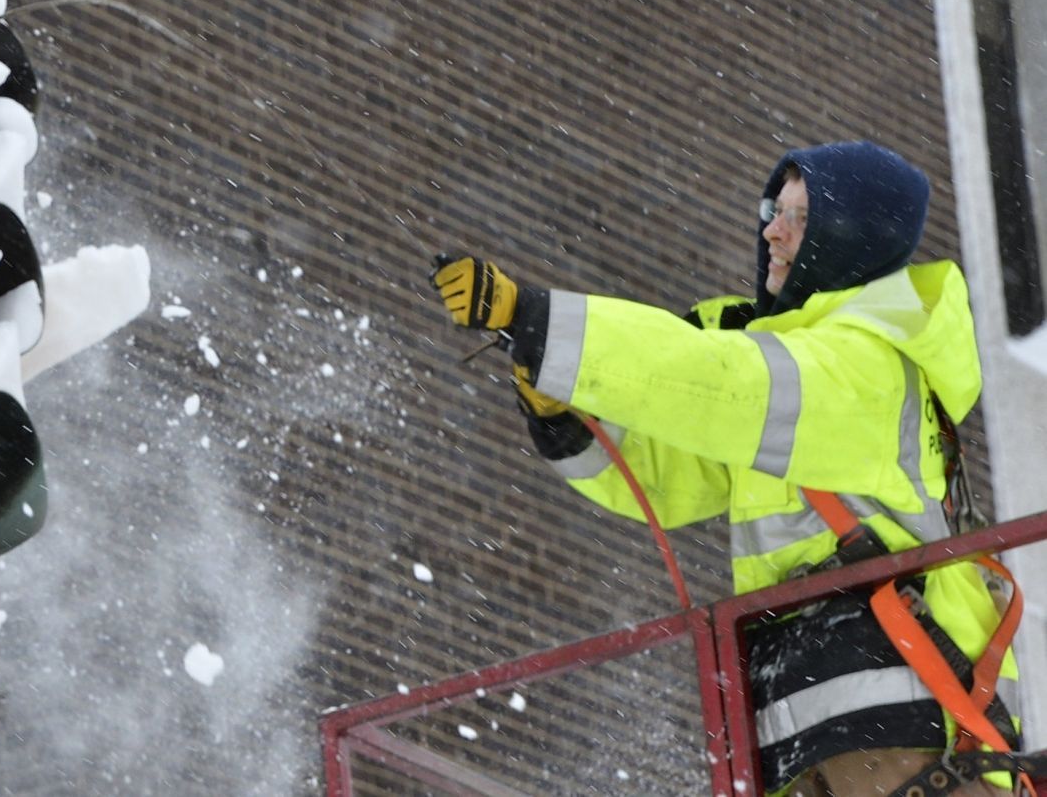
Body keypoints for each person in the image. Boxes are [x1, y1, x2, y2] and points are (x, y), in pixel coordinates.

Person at [430, 141, 1023, 797]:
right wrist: (568, 413)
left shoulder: (865, 365)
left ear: (849, 236)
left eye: (799, 216)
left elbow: (720, 387)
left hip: (894, 703)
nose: (770, 228)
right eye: (774, 208)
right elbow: (666, 475)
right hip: (816, 704)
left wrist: (539, 322)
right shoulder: (797, 378)